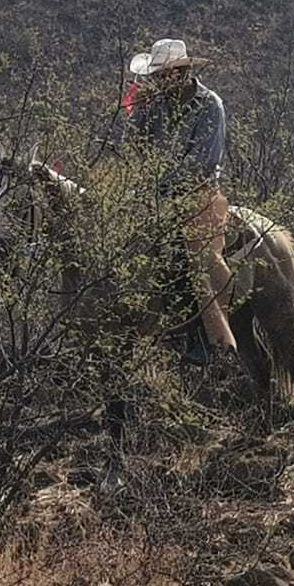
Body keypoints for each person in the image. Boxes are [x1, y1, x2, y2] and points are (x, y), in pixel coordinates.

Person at [126, 37, 239, 363]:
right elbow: (138, 148)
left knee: (194, 257)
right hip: (156, 197)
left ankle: (205, 337)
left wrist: (162, 187)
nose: (162, 81)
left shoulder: (209, 105)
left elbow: (202, 162)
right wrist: (136, 114)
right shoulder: (154, 107)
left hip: (198, 194)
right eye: (158, 76)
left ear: (184, 72)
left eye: (167, 74)